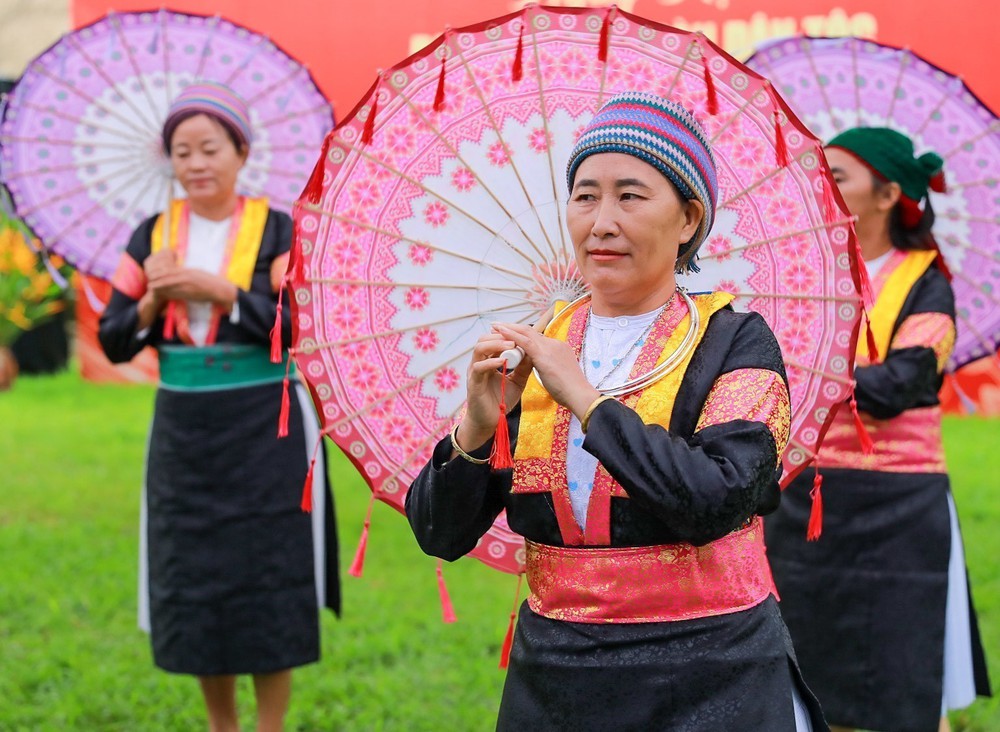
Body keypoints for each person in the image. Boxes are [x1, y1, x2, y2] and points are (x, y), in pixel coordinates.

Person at [405, 92, 828, 731]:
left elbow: (715, 499)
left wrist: (585, 398)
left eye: (630, 196)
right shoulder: (537, 348)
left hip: (714, 669)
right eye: (584, 195)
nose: (601, 221)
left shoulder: (734, 341)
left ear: (688, 218)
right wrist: (479, 426)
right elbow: (440, 533)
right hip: (557, 675)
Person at [99, 83, 340, 732]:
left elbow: (298, 326)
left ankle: (268, 726)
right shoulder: (153, 237)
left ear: (240, 153)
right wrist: (153, 298)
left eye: (210, 147)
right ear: (169, 161)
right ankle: (221, 725)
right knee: (198, 573)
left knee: (268, 572)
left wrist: (222, 291)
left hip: (266, 424)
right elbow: (114, 338)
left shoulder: (278, 229)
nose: (197, 162)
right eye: (183, 151)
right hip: (184, 429)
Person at [764, 127, 991, 732]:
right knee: (812, 671)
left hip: (900, 507)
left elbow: (901, 383)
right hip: (807, 499)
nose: (826, 187)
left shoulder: (926, 280)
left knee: (906, 679)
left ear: (888, 194)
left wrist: (813, 372)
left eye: (840, 176)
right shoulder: (808, 271)